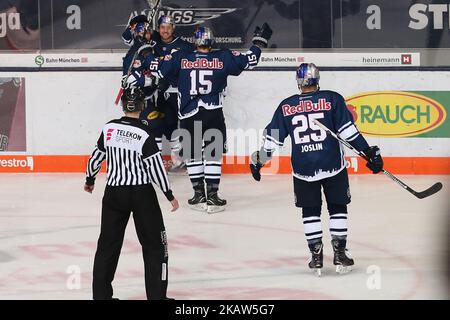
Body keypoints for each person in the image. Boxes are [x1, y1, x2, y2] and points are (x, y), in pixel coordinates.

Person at [250, 63, 383, 275]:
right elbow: (349, 132)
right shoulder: (332, 99)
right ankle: (339, 253)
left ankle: (316, 255)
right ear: (317, 80)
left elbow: (273, 140)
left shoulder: (287, 106)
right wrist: (368, 152)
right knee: (337, 207)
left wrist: (258, 161)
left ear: (298, 82)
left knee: (310, 211)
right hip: (332, 164)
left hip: (303, 168)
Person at [154, 23, 273, 213]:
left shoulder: (182, 56)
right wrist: (259, 42)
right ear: (211, 41)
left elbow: (160, 71)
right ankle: (213, 196)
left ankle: (198, 195)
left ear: (196, 41)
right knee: (212, 155)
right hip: (213, 113)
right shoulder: (223, 57)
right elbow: (250, 60)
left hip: (188, 113)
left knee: (193, 155)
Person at [84, 88, 179, 300]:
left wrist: (90, 179)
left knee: (107, 245)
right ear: (143, 107)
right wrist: (168, 193)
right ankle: (157, 297)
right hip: (141, 194)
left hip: (113, 194)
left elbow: (96, 157)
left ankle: (101, 297)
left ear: (123, 105)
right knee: (156, 246)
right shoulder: (144, 133)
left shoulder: (109, 129)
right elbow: (155, 167)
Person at [153, 15, 195, 171]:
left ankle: (189, 159)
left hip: (181, 92)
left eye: (168, 27)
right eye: (162, 27)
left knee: (188, 125)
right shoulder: (153, 45)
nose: (165, 30)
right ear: (158, 29)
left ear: (173, 28)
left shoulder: (185, 46)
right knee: (165, 126)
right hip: (161, 93)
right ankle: (173, 159)